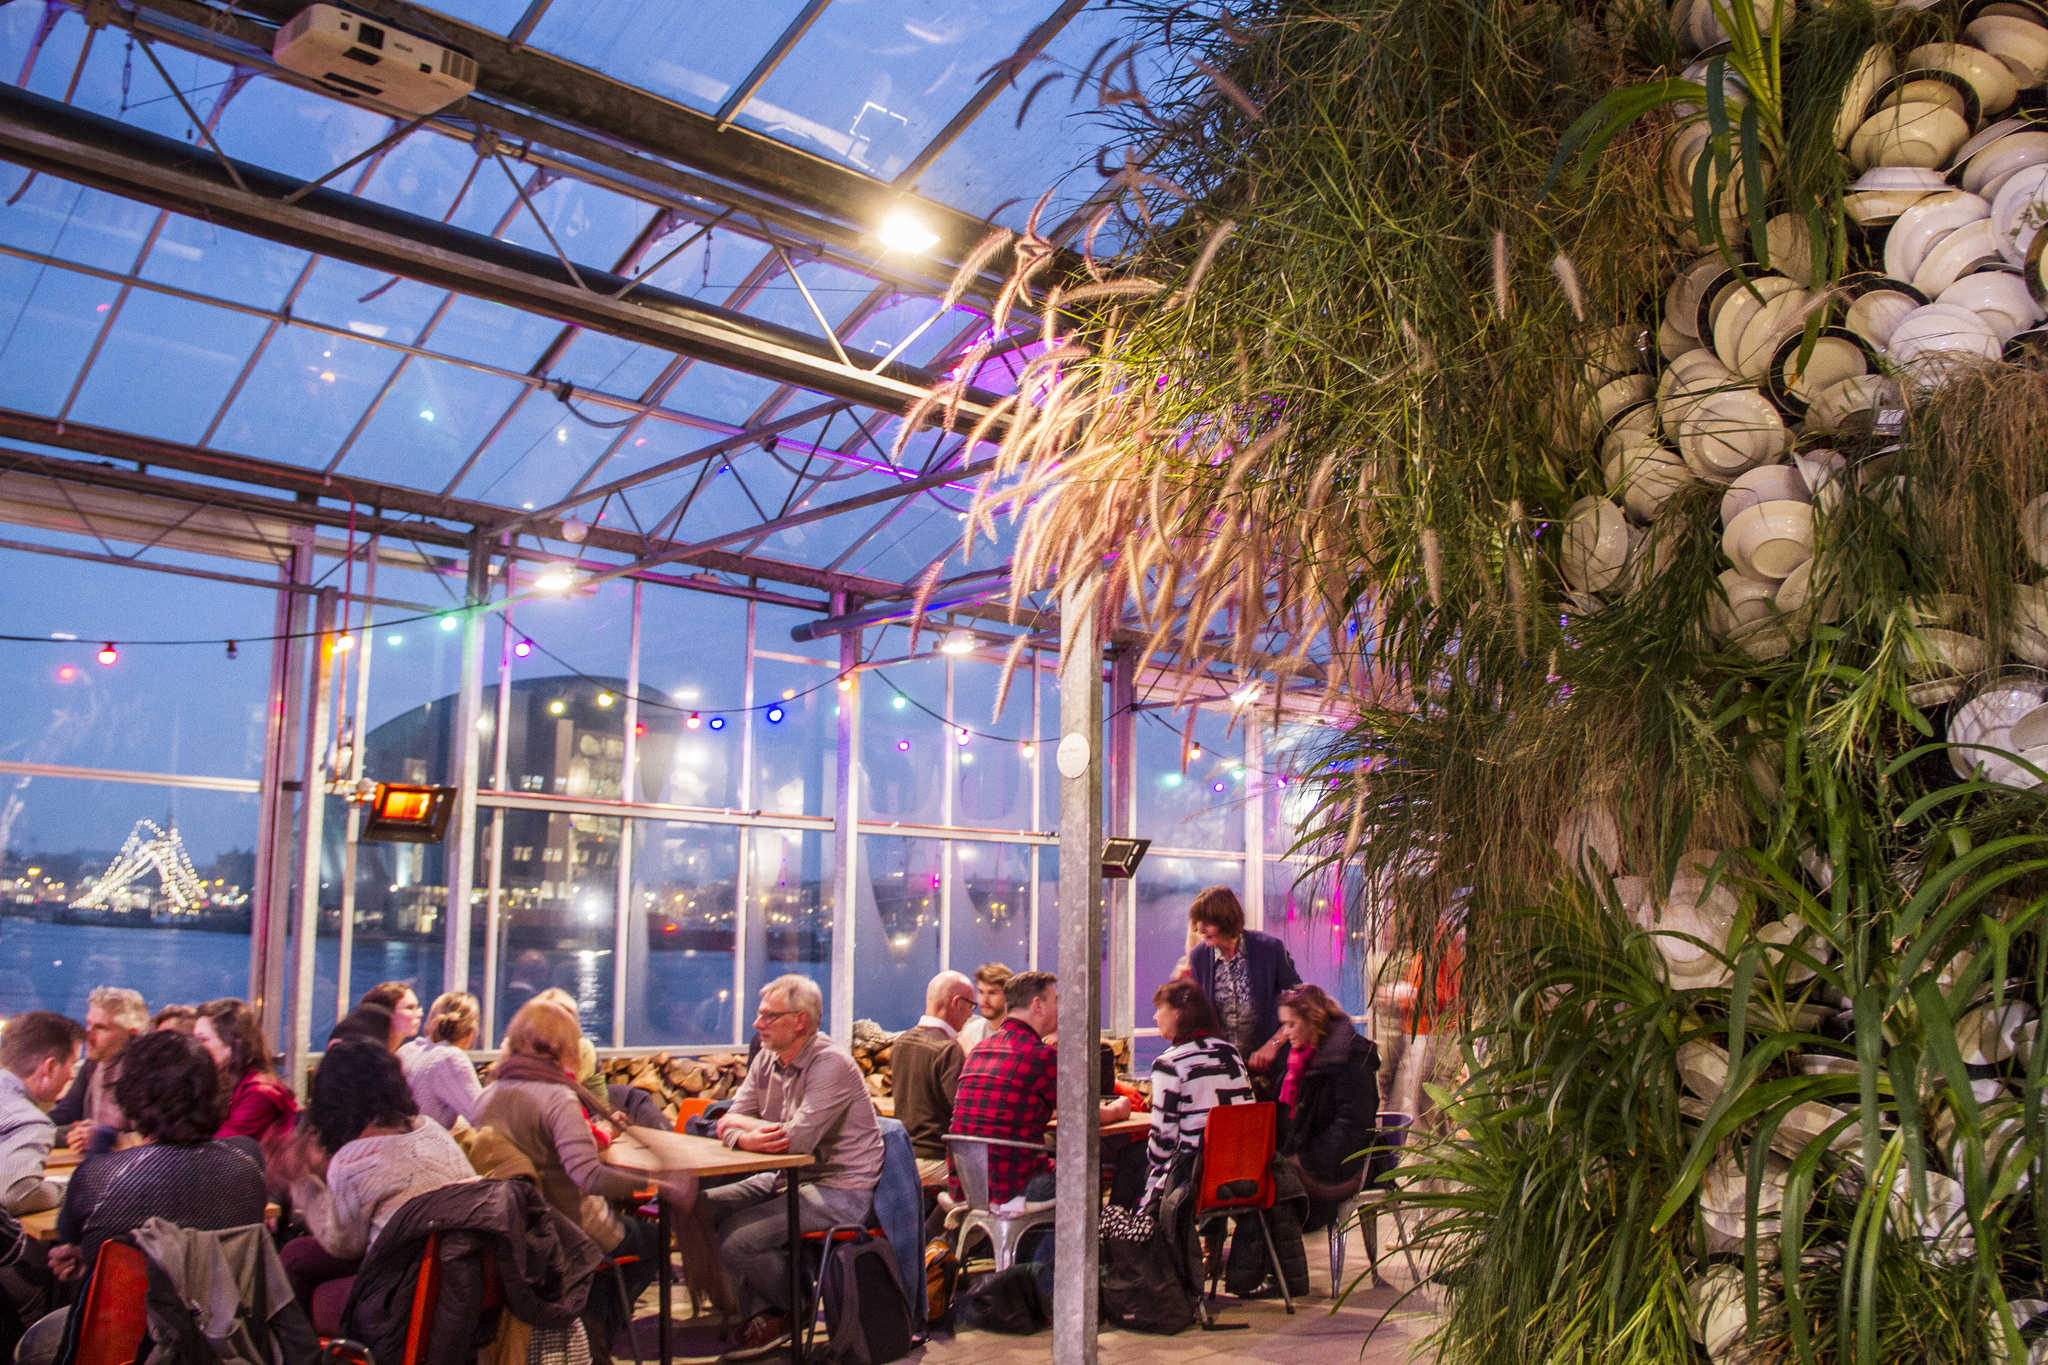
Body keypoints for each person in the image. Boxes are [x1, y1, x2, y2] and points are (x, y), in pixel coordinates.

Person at [17, 1031, 268, 1365]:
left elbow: (74, 1240)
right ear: (213, 1090)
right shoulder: (248, 1159)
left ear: (133, 1097)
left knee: (36, 1339)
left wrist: (90, 1258)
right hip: (227, 1344)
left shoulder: (97, 1177)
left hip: (124, 1349)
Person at [473, 1000, 689, 1359]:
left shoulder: (487, 1095)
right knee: (651, 1241)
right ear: (566, 1046)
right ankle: (596, 1333)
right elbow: (588, 1176)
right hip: (569, 1231)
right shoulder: (557, 1097)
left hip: (516, 1234)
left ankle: (590, 1328)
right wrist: (650, 1183)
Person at [704, 976, 884, 1360]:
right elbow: (729, 1119)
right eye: (759, 1014)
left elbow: (794, 1141)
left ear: (800, 1020)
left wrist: (741, 1129)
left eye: (769, 1016)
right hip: (787, 1178)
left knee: (737, 1239)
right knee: (699, 1208)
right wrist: (743, 1135)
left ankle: (792, 1307)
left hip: (841, 1189)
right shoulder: (767, 1058)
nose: (758, 1024)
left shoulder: (831, 1064)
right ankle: (768, 1308)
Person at [270, 1040, 476, 1329]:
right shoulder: (433, 1130)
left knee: (315, 1292)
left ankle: (306, 1349)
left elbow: (343, 1245)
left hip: (405, 1300)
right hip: (463, 1281)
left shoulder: (355, 1160)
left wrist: (302, 1180)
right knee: (298, 1256)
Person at [949, 970, 1131, 1208]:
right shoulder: (1041, 1056)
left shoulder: (979, 1051)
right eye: (1055, 1000)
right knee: (1087, 1172)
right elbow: (1085, 1116)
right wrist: (1119, 1109)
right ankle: (1098, 1231)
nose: (1059, 1008)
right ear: (1037, 1005)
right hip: (1013, 1189)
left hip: (968, 1187)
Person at [1112, 980, 1255, 1213]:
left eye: (1160, 1009)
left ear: (1178, 1013)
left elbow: (1161, 1148)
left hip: (1194, 1176)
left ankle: (1117, 1227)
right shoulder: (1231, 1053)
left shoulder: (1169, 1063)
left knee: (1130, 1158)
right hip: (1242, 1169)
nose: (1155, 1017)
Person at [1273, 984, 1381, 1232]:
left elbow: (1353, 1127)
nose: (1285, 1033)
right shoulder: (1302, 1059)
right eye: (1284, 1025)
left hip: (1341, 1170)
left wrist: (1304, 1161)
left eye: (1291, 1024)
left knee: (1271, 1195)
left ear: (1312, 1021)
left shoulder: (1349, 1059)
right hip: (1315, 1160)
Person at [1186, 887, 1302, 1077]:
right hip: (1225, 1072)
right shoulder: (1199, 957)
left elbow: (1301, 1002)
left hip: (1272, 1069)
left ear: (1226, 920)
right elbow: (1199, 1017)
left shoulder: (1269, 949)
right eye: (1198, 922)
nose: (1200, 929)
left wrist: (1273, 1044)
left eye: (1207, 922)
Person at [891, 971, 977, 1183]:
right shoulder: (948, 1049)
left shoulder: (902, 1041)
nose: (970, 1015)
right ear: (957, 1002)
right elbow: (963, 1113)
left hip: (904, 1158)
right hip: (937, 1160)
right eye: (971, 1006)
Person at [0, 1013, 83, 1214]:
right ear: (50, 1067)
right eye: (72, 1064)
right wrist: (70, 1189)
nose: (72, 1075)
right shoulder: (29, 1121)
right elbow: (19, 1195)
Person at [194, 998, 297, 1146]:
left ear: (231, 1043)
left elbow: (220, 1147)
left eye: (203, 1040)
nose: (196, 1047)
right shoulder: (223, 1085)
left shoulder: (260, 1095)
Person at [50, 987, 144, 1150]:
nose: (88, 1035)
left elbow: (159, 1139)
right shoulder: (93, 1064)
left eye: (100, 1027)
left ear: (132, 1034)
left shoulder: (149, 1072)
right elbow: (65, 1114)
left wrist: (107, 1139)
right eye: (88, 1024)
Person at [400, 991, 483, 1128]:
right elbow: (484, 1118)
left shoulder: (408, 1049)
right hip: (422, 1141)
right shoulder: (450, 1058)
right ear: (471, 1031)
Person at [957, 962, 1012, 1055]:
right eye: (981, 992)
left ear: (1008, 995)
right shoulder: (970, 1032)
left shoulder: (1018, 1035)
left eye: (992, 993)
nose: (984, 1000)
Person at [356, 981, 424, 1053]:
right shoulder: (362, 1055)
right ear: (384, 1013)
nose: (420, 1014)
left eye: (417, 1007)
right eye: (410, 1008)